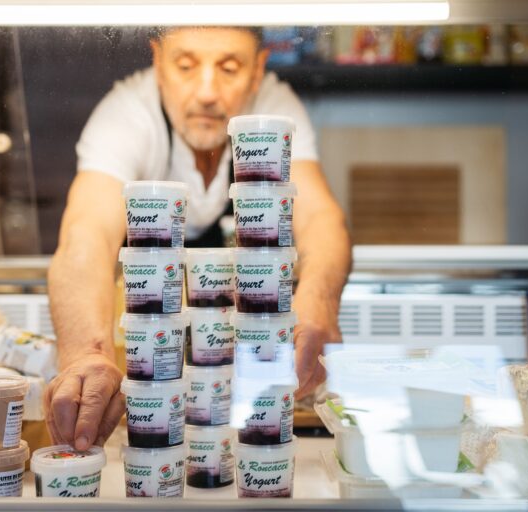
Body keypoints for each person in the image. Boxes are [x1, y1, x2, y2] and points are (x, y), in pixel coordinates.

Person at [44, 26, 351, 451]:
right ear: (158, 62)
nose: (207, 91)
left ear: (258, 70)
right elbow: (86, 235)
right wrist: (87, 354)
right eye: (186, 66)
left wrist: (317, 306)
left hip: (246, 357)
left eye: (229, 68)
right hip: (155, 348)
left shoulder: (273, 111)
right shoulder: (127, 112)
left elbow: (319, 217)